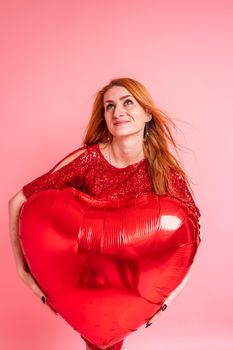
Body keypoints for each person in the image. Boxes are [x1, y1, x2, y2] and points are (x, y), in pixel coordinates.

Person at [8, 77, 201, 350]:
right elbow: (18, 201)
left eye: (127, 102)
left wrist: (170, 296)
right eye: (109, 106)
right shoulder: (88, 159)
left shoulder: (163, 173)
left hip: (135, 287)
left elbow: (190, 234)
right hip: (86, 282)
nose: (117, 111)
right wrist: (22, 269)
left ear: (146, 114)